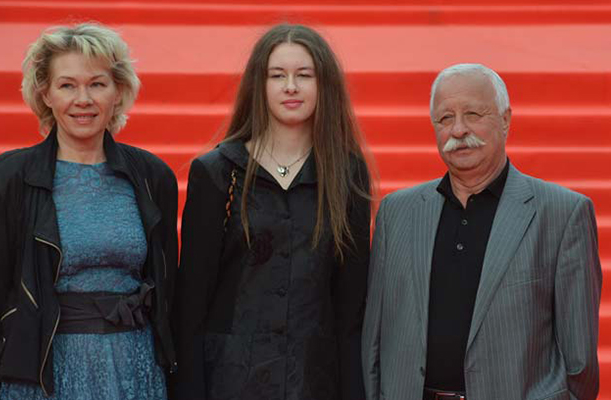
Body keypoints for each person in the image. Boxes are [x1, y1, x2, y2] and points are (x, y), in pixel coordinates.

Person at [362, 63, 602, 400]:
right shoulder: (396, 213)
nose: (458, 130)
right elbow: (374, 340)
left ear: (505, 119)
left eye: (473, 114)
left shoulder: (562, 214)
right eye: (445, 118)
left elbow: (580, 364)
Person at [0, 23, 178, 400]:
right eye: (67, 85)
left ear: (118, 91)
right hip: (44, 375)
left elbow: (170, 293)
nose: (83, 99)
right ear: (45, 94)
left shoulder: (153, 176)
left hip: (136, 370)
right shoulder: (5, 180)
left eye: (97, 84)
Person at [171, 23, 371, 400]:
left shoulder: (347, 173)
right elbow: (192, 301)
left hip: (314, 381)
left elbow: (350, 308)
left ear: (324, 84)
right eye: (277, 75)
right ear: (258, 85)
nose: (290, 86)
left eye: (304, 75)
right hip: (229, 381)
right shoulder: (217, 172)